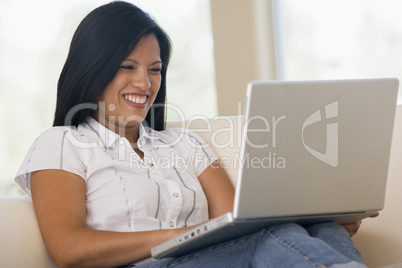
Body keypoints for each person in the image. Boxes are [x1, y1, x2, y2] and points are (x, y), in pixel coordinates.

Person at [15, 1, 368, 267]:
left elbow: (236, 222)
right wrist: (179, 238)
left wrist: (312, 217)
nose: (145, 82)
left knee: (324, 230)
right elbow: (68, 248)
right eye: (127, 67)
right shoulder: (62, 143)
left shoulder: (184, 143)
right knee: (274, 238)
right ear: (92, 67)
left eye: (155, 70)